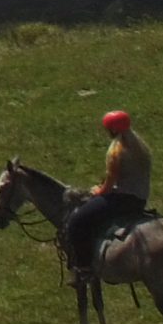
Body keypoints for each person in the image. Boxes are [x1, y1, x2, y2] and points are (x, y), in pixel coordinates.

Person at [61, 107, 153, 278]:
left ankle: (84, 267)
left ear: (112, 130)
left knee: (77, 222)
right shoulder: (141, 147)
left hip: (121, 200)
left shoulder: (116, 152)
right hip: (140, 199)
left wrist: (97, 191)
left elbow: (108, 187)